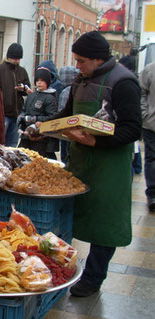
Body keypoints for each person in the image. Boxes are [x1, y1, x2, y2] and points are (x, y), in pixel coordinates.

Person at [46, 31, 141, 297]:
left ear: (98, 60)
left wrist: (95, 143)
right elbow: (68, 115)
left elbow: (133, 129)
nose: (76, 66)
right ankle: (61, 270)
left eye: (81, 61)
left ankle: (93, 277)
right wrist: (45, 127)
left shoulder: (123, 82)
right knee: (69, 218)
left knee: (104, 225)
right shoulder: (81, 80)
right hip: (79, 162)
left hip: (109, 167)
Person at [0, 43, 32, 147]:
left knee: (12, 144)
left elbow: (28, 88)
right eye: (14, 58)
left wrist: (23, 89)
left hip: (17, 113)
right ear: (8, 57)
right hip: (3, 113)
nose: (16, 61)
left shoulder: (22, 71)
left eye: (18, 59)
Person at [17, 67, 58, 158]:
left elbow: (52, 117)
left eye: (42, 80)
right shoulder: (31, 96)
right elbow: (24, 110)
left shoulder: (50, 98)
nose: (39, 83)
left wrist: (34, 119)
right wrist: (21, 117)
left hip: (40, 137)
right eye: (37, 80)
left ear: (47, 82)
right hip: (26, 135)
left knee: (36, 158)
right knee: (21, 155)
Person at [140, 61, 155, 211]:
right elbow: (142, 92)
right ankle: (152, 193)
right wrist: (145, 115)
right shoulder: (150, 69)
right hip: (151, 124)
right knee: (151, 158)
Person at [58, 66, 80, 163]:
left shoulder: (66, 91)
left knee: (65, 154)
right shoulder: (77, 89)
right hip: (75, 129)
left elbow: (62, 111)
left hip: (66, 128)